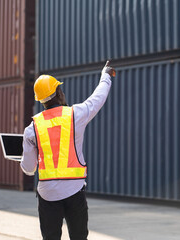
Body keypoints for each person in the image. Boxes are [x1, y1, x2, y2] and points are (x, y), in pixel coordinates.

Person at [20, 61, 116, 240]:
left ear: (40, 100)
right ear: (58, 93)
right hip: (74, 191)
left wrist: (25, 157)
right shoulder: (75, 115)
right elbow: (98, 98)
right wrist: (106, 75)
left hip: (47, 194)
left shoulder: (32, 129)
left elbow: (28, 168)